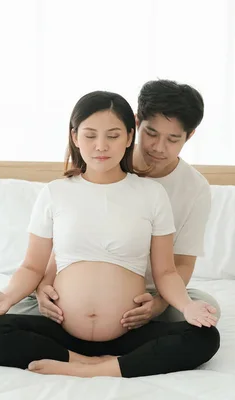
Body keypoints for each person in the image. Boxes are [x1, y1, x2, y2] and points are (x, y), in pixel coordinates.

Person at [0, 90, 220, 378]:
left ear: (128, 137)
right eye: (90, 135)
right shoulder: (55, 192)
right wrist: (6, 296)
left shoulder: (153, 194)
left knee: (206, 336)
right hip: (63, 324)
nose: (101, 146)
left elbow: (167, 271)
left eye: (112, 136)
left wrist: (185, 306)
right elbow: (33, 265)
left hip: (130, 325)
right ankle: (82, 361)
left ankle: (99, 368)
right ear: (75, 137)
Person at [25, 79, 221, 330]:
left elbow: (181, 263)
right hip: (73, 294)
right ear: (136, 124)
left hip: (152, 294)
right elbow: (69, 242)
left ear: (189, 135)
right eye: (151, 133)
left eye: (173, 139)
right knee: (7, 313)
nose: (158, 148)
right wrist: (44, 285)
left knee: (206, 312)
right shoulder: (100, 163)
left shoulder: (195, 188)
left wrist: (159, 304)